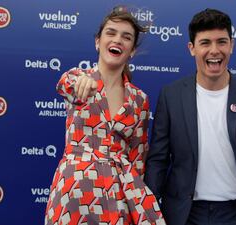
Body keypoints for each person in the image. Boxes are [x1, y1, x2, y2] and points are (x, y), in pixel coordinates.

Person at [145, 8, 236, 225]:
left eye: (221, 42)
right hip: (186, 214)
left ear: (232, 45)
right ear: (192, 48)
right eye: (205, 42)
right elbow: (158, 160)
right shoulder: (171, 96)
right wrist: (146, 214)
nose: (214, 50)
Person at [45, 6, 165, 225]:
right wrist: (82, 82)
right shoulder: (77, 77)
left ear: (132, 51)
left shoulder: (139, 100)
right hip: (75, 191)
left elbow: (137, 159)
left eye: (126, 37)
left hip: (117, 194)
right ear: (97, 42)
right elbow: (63, 85)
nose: (117, 40)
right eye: (111, 33)